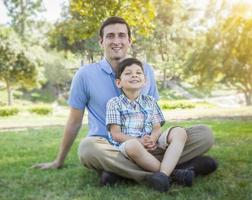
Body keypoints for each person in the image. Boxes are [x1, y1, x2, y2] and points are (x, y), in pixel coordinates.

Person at [32, 16, 218, 192]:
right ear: (101, 42)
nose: (116, 41)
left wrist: (153, 138)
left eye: (122, 35)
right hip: (113, 149)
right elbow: (74, 122)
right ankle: (175, 171)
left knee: (205, 134)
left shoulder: (146, 70)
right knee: (87, 148)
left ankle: (120, 173)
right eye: (110, 36)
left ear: (130, 41)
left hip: (149, 147)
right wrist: (59, 160)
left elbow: (154, 115)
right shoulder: (85, 75)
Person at [106, 58, 195, 191]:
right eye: (128, 73)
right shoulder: (114, 103)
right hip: (129, 146)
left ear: (145, 80)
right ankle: (174, 174)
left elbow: (157, 128)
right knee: (133, 146)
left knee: (179, 131)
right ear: (118, 82)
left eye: (138, 72)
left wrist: (152, 139)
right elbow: (116, 134)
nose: (134, 75)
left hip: (152, 143)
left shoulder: (150, 101)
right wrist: (139, 141)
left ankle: (163, 175)